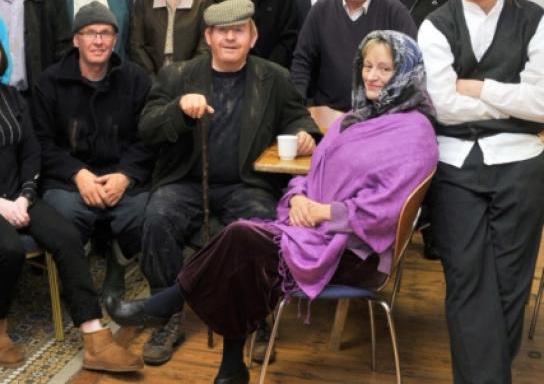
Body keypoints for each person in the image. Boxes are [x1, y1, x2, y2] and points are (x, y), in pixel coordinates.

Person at [110, 30, 439, 384]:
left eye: (386, 69)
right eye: (368, 66)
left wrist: (323, 213)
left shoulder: (414, 132)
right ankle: (231, 367)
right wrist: (298, 197)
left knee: (241, 240)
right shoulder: (351, 120)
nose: (372, 76)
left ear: (406, 74)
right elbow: (311, 174)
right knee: (241, 249)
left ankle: (166, 307)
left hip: (356, 253)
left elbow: (386, 211)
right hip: (314, 232)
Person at [0, 24, 143, 373]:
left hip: (17, 197)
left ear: (1, 56)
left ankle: (94, 336)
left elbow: (31, 153)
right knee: (7, 247)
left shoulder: (12, 96)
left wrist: (25, 197)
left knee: (67, 236)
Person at [135, 0, 319, 366]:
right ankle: (169, 314)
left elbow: (299, 118)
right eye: (223, 31)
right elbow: (146, 129)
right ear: (208, 36)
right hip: (185, 181)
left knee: (262, 225)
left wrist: (305, 134)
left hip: (246, 183)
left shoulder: (275, 78)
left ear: (253, 36)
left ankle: (257, 317)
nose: (231, 38)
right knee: (157, 217)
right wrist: (177, 110)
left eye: (239, 31)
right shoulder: (177, 75)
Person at [418, 0, 544, 384]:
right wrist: (510, 97)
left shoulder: (535, 18)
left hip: (522, 164)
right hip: (454, 166)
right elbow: (443, 105)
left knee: (512, 284)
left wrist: (480, 87)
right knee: (467, 282)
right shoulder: (435, 23)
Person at [33, 2, 154, 300]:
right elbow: (41, 142)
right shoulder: (49, 82)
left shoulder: (136, 79)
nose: (98, 41)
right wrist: (77, 174)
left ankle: (118, 262)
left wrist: (125, 175)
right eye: (90, 33)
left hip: (121, 172)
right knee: (65, 212)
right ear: (76, 39)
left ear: (115, 39)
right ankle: (77, 267)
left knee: (144, 213)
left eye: (106, 33)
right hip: (68, 176)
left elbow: (147, 139)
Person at [291, 0, 418, 111]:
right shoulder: (322, 9)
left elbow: (411, 64)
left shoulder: (394, 11)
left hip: (380, 115)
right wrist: (298, 106)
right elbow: (302, 60)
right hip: (328, 113)